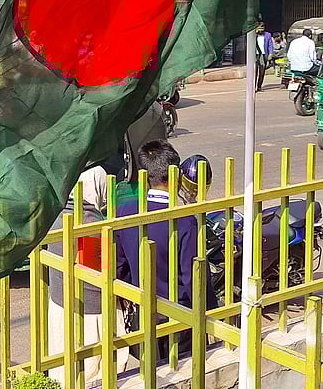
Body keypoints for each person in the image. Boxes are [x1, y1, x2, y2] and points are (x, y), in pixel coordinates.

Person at [115, 140, 214, 360]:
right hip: (179, 315)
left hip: (142, 309)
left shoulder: (125, 211)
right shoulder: (185, 220)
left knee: (148, 373)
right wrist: (212, 313)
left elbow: (120, 267)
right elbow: (194, 277)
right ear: (176, 175)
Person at [45, 165, 128, 385]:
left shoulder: (56, 213)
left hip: (59, 303)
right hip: (91, 311)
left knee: (64, 369)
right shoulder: (95, 223)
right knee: (95, 372)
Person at [254, 22, 274, 90]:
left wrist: (270, 53)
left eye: (262, 28)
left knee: (262, 72)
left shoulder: (268, 35)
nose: (261, 30)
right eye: (260, 28)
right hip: (255, 55)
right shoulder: (253, 35)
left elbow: (270, 45)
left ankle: (259, 86)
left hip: (263, 55)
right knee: (254, 72)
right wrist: (255, 34)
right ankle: (253, 87)